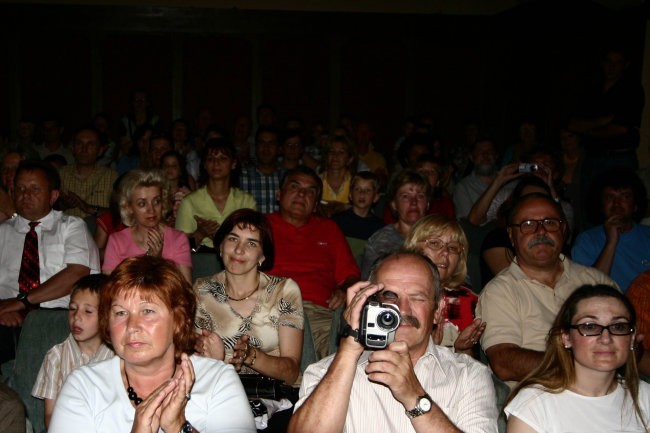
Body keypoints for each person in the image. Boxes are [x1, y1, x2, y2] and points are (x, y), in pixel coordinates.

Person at [288, 251, 498, 433]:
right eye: (390, 297)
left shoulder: (469, 375)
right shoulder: (327, 373)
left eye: (417, 297)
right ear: (368, 305)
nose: (403, 309)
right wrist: (349, 349)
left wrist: (415, 397)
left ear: (438, 311)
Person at [49, 255, 256, 432]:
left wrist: (178, 426)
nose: (131, 326)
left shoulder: (216, 379)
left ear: (178, 320)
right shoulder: (84, 386)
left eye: (147, 311)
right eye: (120, 313)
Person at [476, 193, 617, 387]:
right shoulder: (500, 291)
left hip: (607, 391)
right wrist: (580, 366)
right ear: (512, 235)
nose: (540, 231)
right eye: (528, 224)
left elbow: (630, 342)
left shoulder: (596, 282)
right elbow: (504, 362)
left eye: (549, 223)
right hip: (542, 401)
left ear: (563, 229)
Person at [194, 209, 304, 429]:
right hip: (218, 393)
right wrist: (212, 360)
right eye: (232, 239)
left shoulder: (284, 290)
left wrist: (252, 356)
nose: (239, 249)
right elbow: (195, 357)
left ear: (262, 256)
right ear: (220, 246)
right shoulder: (202, 290)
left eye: (251, 243)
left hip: (274, 398)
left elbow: (291, 372)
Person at [504, 284, 650, 432]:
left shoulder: (643, 396)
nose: (606, 338)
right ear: (566, 338)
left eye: (618, 327)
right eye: (590, 326)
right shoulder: (534, 404)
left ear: (632, 338)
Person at [0, 160, 100, 363]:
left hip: (57, 316)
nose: (25, 195)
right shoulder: (2, 231)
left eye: (35, 189)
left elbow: (77, 274)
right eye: (20, 188)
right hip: (6, 316)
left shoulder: (71, 227)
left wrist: (22, 303)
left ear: (53, 196)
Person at [268, 166, 359, 359]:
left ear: (316, 204)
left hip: (317, 312)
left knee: (338, 354)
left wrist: (344, 290)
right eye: (295, 187)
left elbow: (350, 277)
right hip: (270, 308)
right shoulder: (260, 226)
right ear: (279, 194)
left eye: (310, 191)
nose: (302, 194)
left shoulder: (329, 229)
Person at [32, 274, 114, 429]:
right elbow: (50, 416)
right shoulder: (56, 356)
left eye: (88, 311)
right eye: (72, 309)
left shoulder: (116, 356)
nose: (76, 317)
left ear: (107, 315)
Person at [404, 215, 484, 356]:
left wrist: (462, 351)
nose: (445, 252)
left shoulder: (469, 301)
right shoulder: (394, 295)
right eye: (435, 243)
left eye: (453, 248)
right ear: (413, 247)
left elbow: (472, 372)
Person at [102, 169, 192, 283]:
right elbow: (108, 291)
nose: (151, 210)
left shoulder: (178, 239)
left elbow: (186, 292)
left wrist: (158, 263)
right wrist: (149, 262)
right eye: (142, 204)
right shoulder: (117, 241)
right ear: (129, 207)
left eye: (156, 201)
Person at [572, 169, 650, 292]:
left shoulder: (647, 235)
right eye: (610, 197)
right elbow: (590, 289)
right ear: (601, 205)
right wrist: (611, 242)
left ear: (635, 205)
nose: (617, 203)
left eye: (625, 196)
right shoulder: (586, 240)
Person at [176, 138, 256, 251]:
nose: (216, 163)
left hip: (238, 262)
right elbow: (179, 250)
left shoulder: (247, 202)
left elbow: (253, 244)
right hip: (201, 264)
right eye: (210, 159)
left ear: (233, 164)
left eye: (222, 158)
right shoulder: (190, 202)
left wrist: (224, 238)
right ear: (204, 164)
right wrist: (200, 233)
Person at [361, 170, 429, 279]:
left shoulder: (438, 240)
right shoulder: (379, 243)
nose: (414, 202)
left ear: (427, 203)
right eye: (405, 196)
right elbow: (368, 285)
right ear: (394, 205)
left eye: (420, 196)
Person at [59, 127, 118, 219]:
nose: (84, 149)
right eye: (79, 143)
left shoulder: (111, 176)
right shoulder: (61, 174)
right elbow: (48, 209)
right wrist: (64, 205)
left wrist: (88, 208)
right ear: (73, 148)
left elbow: (120, 213)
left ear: (100, 150)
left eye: (90, 144)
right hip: (67, 230)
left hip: (98, 231)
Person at [239, 126, 284, 214]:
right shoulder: (241, 176)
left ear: (279, 149)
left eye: (271, 143)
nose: (266, 147)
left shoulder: (287, 177)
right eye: (262, 142)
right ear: (256, 147)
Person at [453, 138, 499, 219]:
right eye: (480, 151)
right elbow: (468, 225)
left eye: (490, 151)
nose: (485, 155)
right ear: (471, 157)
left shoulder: (510, 181)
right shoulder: (463, 187)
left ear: (496, 155)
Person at [331, 171, 384, 240]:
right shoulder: (338, 221)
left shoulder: (379, 227)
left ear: (375, 197)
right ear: (350, 195)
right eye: (357, 189)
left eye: (368, 190)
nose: (362, 193)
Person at [320, 135, 356, 216]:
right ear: (326, 157)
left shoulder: (356, 183)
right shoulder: (315, 181)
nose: (335, 155)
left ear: (350, 159)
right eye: (331, 151)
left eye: (341, 152)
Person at [160, 150, 196, 226]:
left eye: (174, 166)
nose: (169, 168)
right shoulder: (158, 192)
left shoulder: (185, 193)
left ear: (180, 170)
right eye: (166, 165)